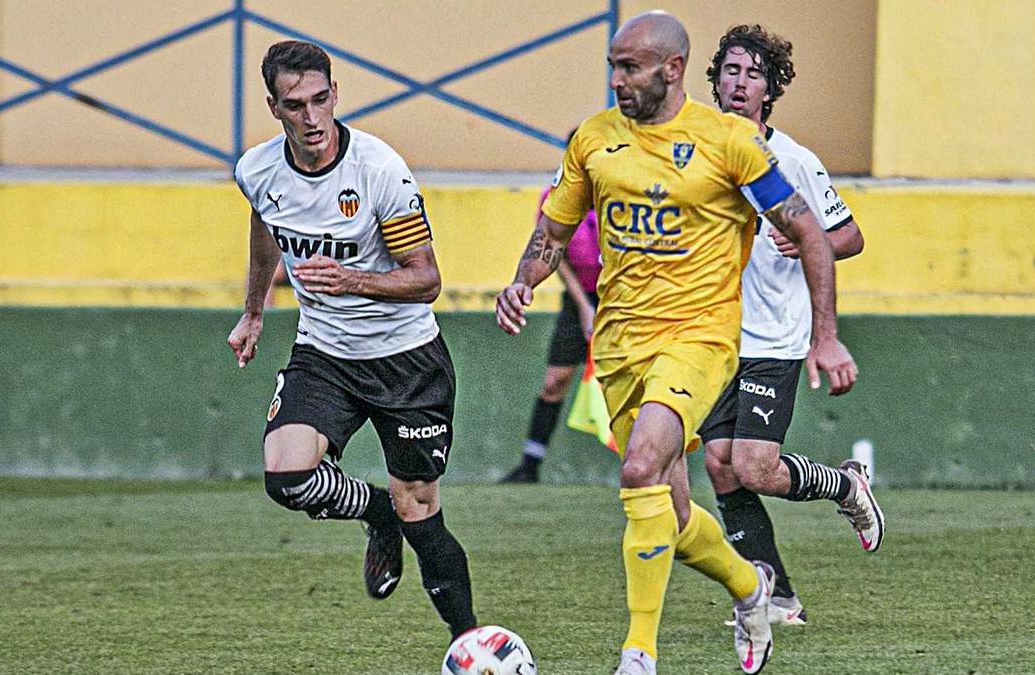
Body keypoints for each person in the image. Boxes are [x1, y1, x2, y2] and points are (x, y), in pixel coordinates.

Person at [496, 11, 863, 675]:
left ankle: (639, 654)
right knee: (670, 506)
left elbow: (814, 233)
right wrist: (523, 280)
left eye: (630, 67)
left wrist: (827, 338)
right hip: (619, 342)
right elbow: (554, 228)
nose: (617, 79)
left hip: (701, 337)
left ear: (672, 69)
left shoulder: (729, 143)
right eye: (613, 65)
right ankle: (752, 585)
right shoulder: (592, 139)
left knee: (641, 467)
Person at [228, 40, 476, 643]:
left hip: (406, 363)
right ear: (273, 106)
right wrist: (254, 311)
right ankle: (375, 510)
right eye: (295, 105)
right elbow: (265, 235)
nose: (311, 118)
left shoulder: (377, 171)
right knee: (286, 478)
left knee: (422, 513)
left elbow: (427, 280)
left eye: (320, 100)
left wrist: (351, 280)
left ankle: (468, 642)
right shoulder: (257, 171)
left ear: (335, 95)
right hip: (325, 357)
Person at [700, 24, 885, 629]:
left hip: (773, 334)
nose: (739, 83)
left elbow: (850, 236)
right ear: (715, 78)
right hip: (715, 335)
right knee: (721, 464)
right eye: (731, 70)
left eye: (753, 74)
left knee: (752, 465)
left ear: (770, 89)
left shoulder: (795, 160)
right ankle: (776, 599)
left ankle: (845, 485)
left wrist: (806, 238)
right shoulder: (698, 149)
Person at [501, 141, 601, 483]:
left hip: (623, 296)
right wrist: (585, 307)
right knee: (555, 381)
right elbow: (554, 250)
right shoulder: (559, 195)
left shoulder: (619, 191)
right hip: (578, 301)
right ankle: (530, 464)